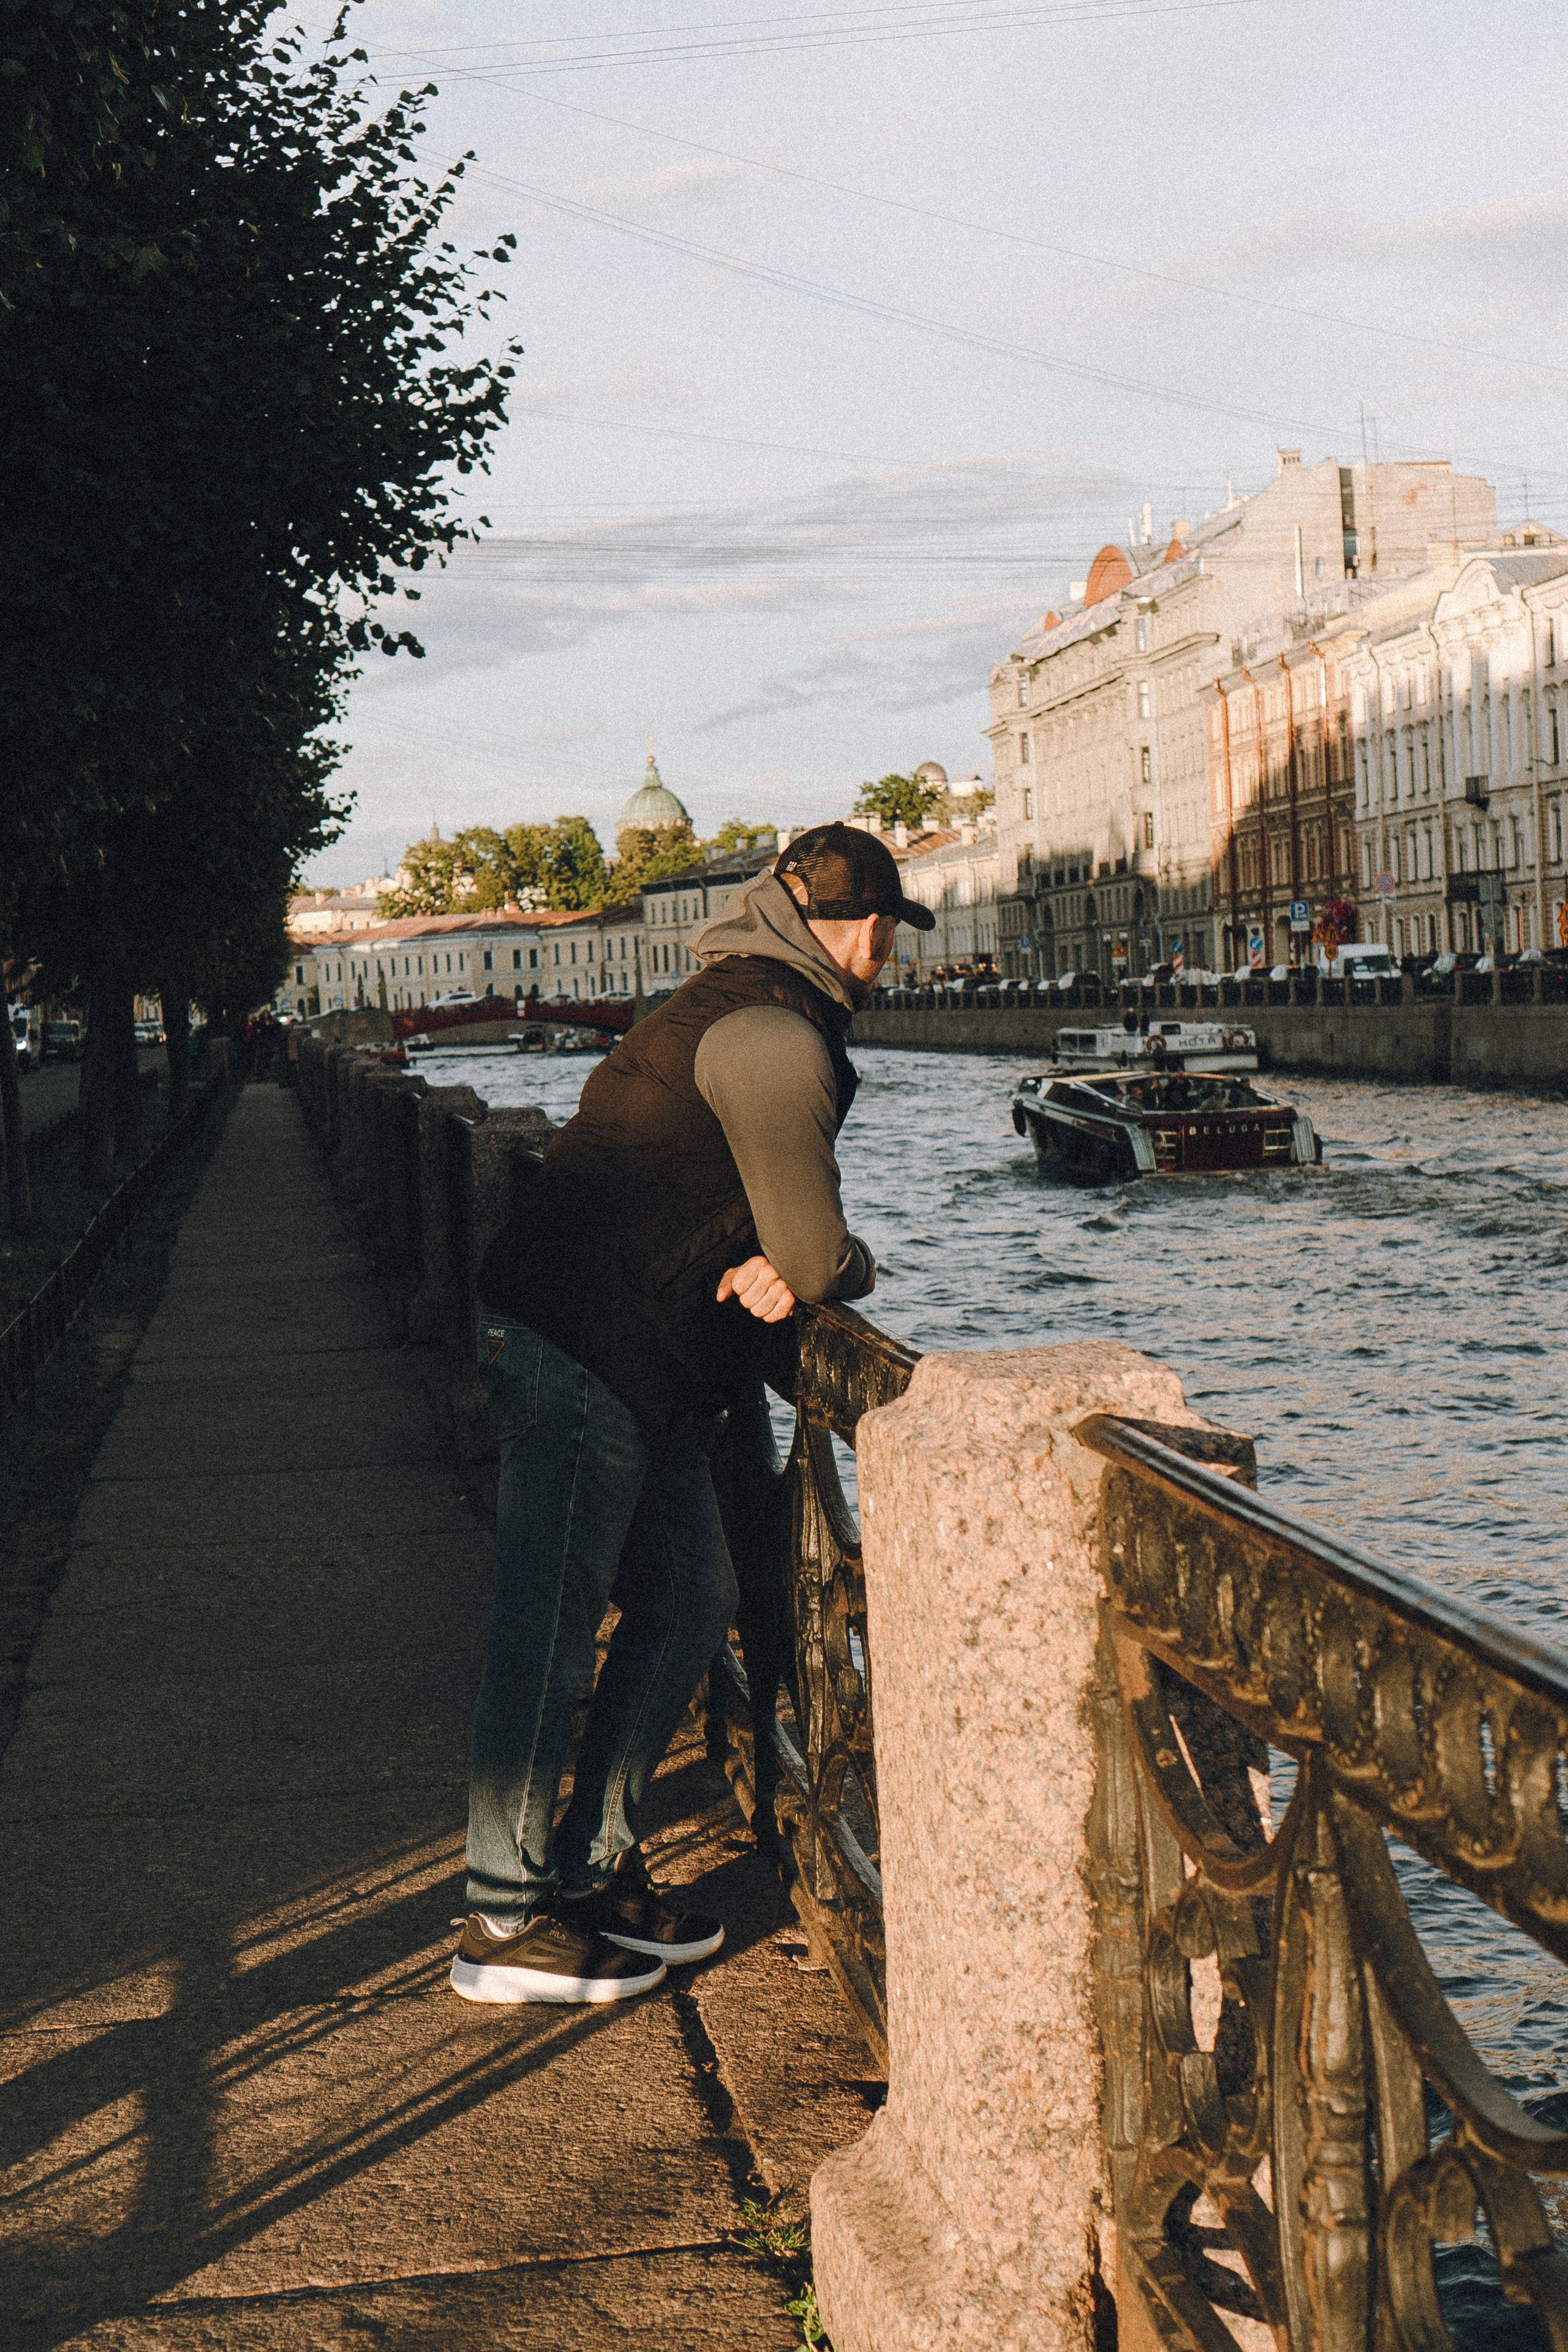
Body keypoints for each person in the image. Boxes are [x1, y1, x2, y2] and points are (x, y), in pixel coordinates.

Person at [450, 823, 935, 2005]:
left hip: (640, 1351)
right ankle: (503, 1925)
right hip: (585, 1347)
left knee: (691, 1598)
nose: (888, 951)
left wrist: (781, 1249)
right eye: (886, 931)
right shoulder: (776, 1033)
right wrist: (833, 1263)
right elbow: (817, 1255)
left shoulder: (733, 998)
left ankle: (594, 1870)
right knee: (551, 1626)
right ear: (862, 929)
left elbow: (762, 1223)